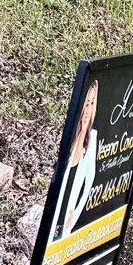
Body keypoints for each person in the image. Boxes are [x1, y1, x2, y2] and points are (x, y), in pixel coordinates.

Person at [50, 80, 99, 245]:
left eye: (91, 103)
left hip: (67, 220)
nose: (87, 110)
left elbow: (89, 183)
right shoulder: (68, 137)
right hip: (53, 214)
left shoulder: (91, 140)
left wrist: (75, 213)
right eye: (86, 103)